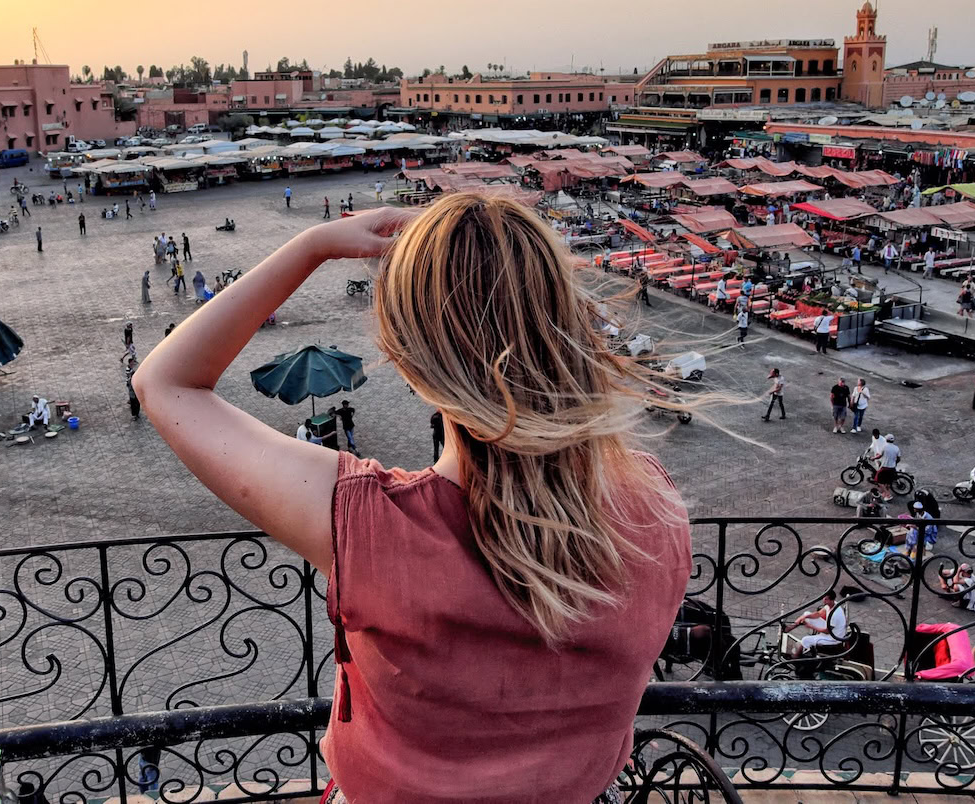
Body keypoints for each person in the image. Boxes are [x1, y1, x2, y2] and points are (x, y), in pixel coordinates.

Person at [129, 195, 691, 802]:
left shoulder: (372, 526)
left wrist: (313, 246)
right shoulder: (654, 505)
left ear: (406, 361)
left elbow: (166, 383)